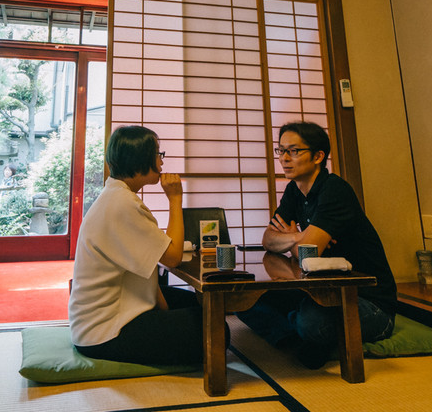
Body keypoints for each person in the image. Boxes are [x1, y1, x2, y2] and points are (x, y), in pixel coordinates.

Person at [237, 120, 397, 368]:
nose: (284, 158)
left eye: (294, 151)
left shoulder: (335, 190)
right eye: (281, 150)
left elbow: (304, 253)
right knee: (242, 300)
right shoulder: (294, 191)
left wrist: (297, 242)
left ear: (318, 156)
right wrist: (299, 237)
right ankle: (298, 336)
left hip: (365, 300)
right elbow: (268, 239)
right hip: (320, 290)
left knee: (310, 322)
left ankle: (301, 333)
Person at [68, 125, 204, 365]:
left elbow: (146, 269)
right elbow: (172, 257)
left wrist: (165, 310)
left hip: (100, 319)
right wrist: (175, 199)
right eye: (158, 154)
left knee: (197, 306)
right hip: (106, 330)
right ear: (140, 158)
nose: (161, 162)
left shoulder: (116, 196)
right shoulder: (122, 204)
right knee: (215, 331)